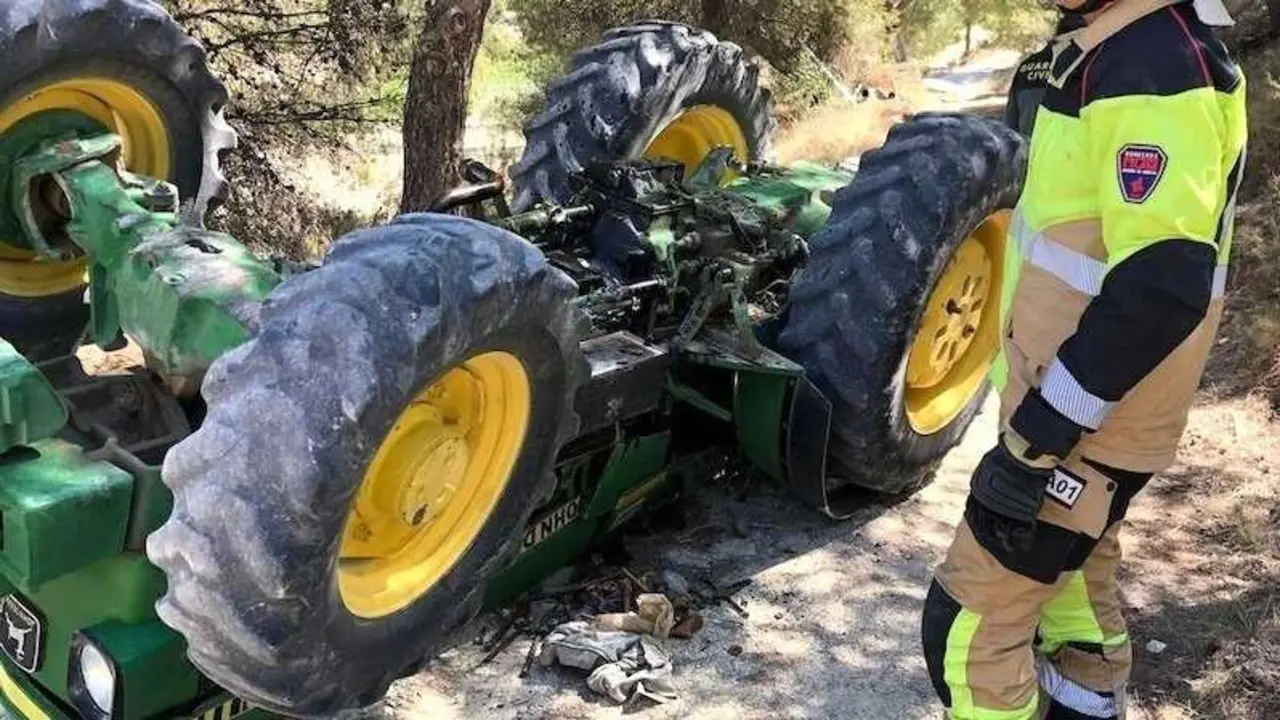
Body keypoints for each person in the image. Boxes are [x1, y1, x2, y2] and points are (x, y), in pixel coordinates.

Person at [921, 1, 1248, 719]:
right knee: (1075, 606)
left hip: (1080, 428)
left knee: (966, 636)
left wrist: (1039, 436)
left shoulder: (1153, 61)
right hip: (1084, 411)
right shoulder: (1115, 43)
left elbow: (1164, 282)